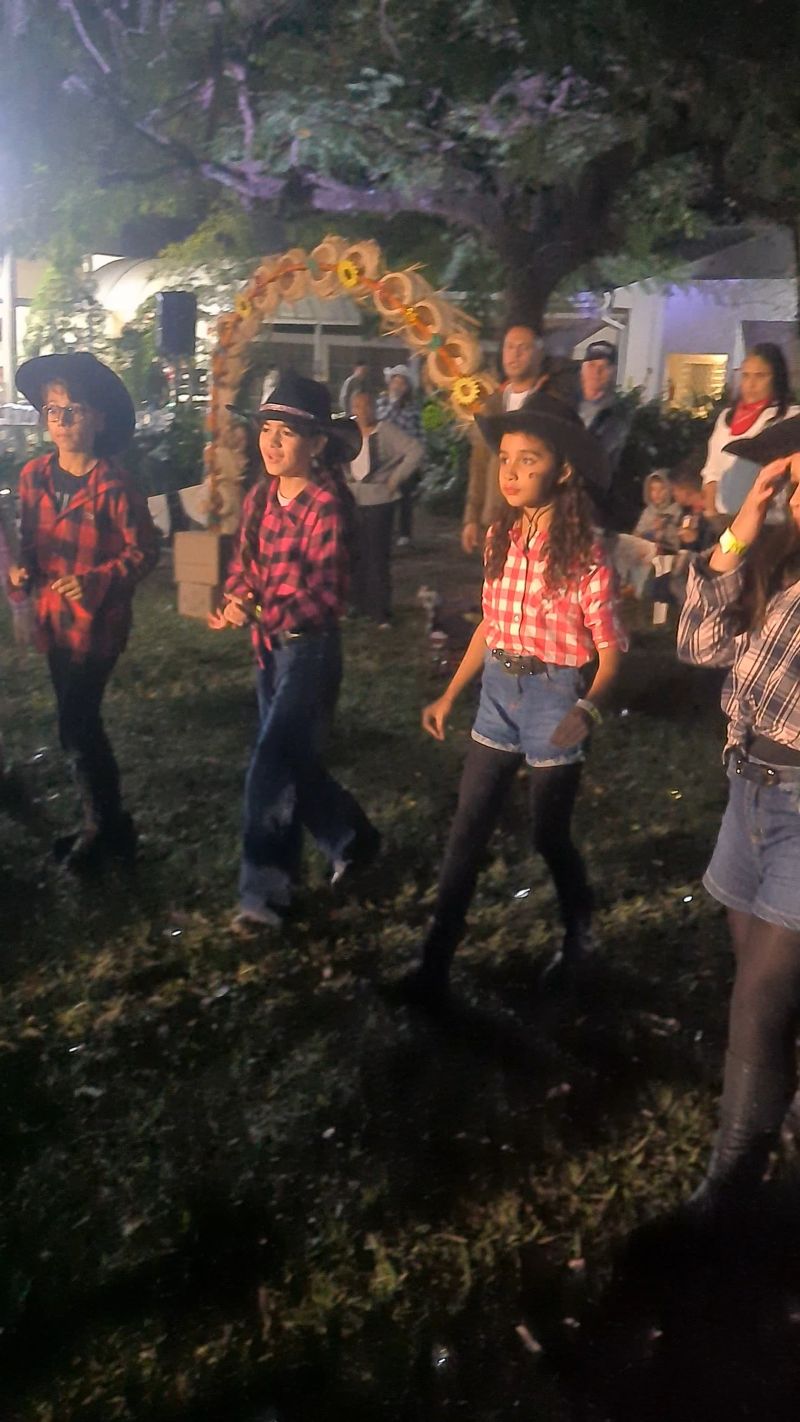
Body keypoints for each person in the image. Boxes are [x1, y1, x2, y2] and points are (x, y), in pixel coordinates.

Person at [399, 394, 627, 1009]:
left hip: (556, 695)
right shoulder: (501, 535)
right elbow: (490, 626)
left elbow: (610, 653)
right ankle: (434, 961)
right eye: (506, 458)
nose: (512, 471)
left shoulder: (586, 554)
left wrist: (587, 708)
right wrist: (450, 694)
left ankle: (579, 933)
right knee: (467, 827)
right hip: (499, 691)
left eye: (530, 459)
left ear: (564, 470)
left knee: (547, 834)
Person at [675, 412, 800, 1227]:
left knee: (757, 1005)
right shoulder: (776, 562)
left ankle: (729, 1194)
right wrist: (737, 534)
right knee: (768, 986)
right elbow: (697, 645)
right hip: (746, 794)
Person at [210, 372, 380, 933]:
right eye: (266, 430)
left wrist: (259, 609)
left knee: (270, 768)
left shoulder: (327, 505)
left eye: (286, 433)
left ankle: (266, 897)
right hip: (269, 650)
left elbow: (325, 595)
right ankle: (353, 840)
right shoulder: (261, 497)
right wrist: (237, 597)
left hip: (310, 653)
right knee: (294, 763)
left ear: (317, 443)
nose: (272, 443)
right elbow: (244, 565)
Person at [6, 352, 158, 871]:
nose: (62, 421)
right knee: (78, 724)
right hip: (54, 623)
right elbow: (30, 543)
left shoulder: (115, 486)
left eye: (72, 410)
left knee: (76, 724)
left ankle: (103, 828)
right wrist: (22, 570)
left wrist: (96, 580)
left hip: (97, 628)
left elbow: (144, 552)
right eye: (52, 410)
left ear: (99, 419)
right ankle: (112, 826)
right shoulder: (33, 477)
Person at [346, 386, 423, 627]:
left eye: (367, 406)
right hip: (352, 500)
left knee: (376, 556)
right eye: (357, 406)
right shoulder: (347, 432)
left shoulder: (386, 430)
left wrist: (396, 478)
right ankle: (356, 603)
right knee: (354, 554)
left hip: (379, 500)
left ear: (374, 407)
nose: (362, 411)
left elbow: (415, 450)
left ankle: (380, 611)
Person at [700, 343, 799, 518]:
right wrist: (711, 513)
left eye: (760, 376)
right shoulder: (726, 418)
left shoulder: (790, 417)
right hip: (723, 518)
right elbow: (712, 471)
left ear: (777, 378)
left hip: (769, 519)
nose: (751, 384)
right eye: (745, 375)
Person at [376, 365, 424, 546]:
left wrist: (421, 462)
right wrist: (392, 403)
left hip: (406, 458)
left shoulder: (413, 408)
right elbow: (381, 421)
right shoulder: (381, 403)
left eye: (402, 383)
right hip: (385, 459)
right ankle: (386, 531)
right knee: (385, 496)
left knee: (405, 497)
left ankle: (405, 532)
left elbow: (419, 434)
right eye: (395, 382)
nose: (397, 386)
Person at [578, 340, 632, 478]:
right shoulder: (566, 404)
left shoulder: (619, 415)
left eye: (604, 366)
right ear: (582, 369)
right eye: (592, 365)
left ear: (613, 372)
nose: (597, 372)